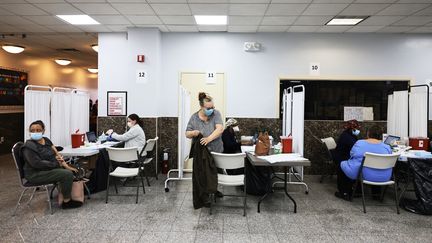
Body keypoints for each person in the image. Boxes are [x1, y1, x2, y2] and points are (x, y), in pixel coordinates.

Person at [21, 120, 82, 209]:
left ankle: (75, 192)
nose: (35, 132)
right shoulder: (28, 146)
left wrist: (66, 165)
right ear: (29, 132)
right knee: (66, 174)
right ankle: (67, 201)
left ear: (43, 130)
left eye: (38, 130)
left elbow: (56, 153)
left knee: (75, 168)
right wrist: (56, 164)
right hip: (35, 173)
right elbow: (37, 164)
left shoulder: (46, 140)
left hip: (46, 168)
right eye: (32, 130)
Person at [335, 125, 392, 200]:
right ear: (381, 136)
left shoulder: (360, 143)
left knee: (342, 165)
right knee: (376, 166)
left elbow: (352, 154)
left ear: (368, 134)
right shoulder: (387, 147)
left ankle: (345, 192)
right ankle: (376, 195)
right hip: (384, 177)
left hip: (364, 174)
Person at [186, 92, 224, 203]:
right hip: (202, 153)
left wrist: (208, 139)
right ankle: (204, 196)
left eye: (212, 107)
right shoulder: (194, 118)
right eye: (208, 108)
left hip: (216, 149)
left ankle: (214, 190)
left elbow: (220, 129)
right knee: (203, 174)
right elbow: (187, 133)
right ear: (202, 107)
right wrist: (193, 132)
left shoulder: (216, 114)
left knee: (215, 172)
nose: (211, 109)